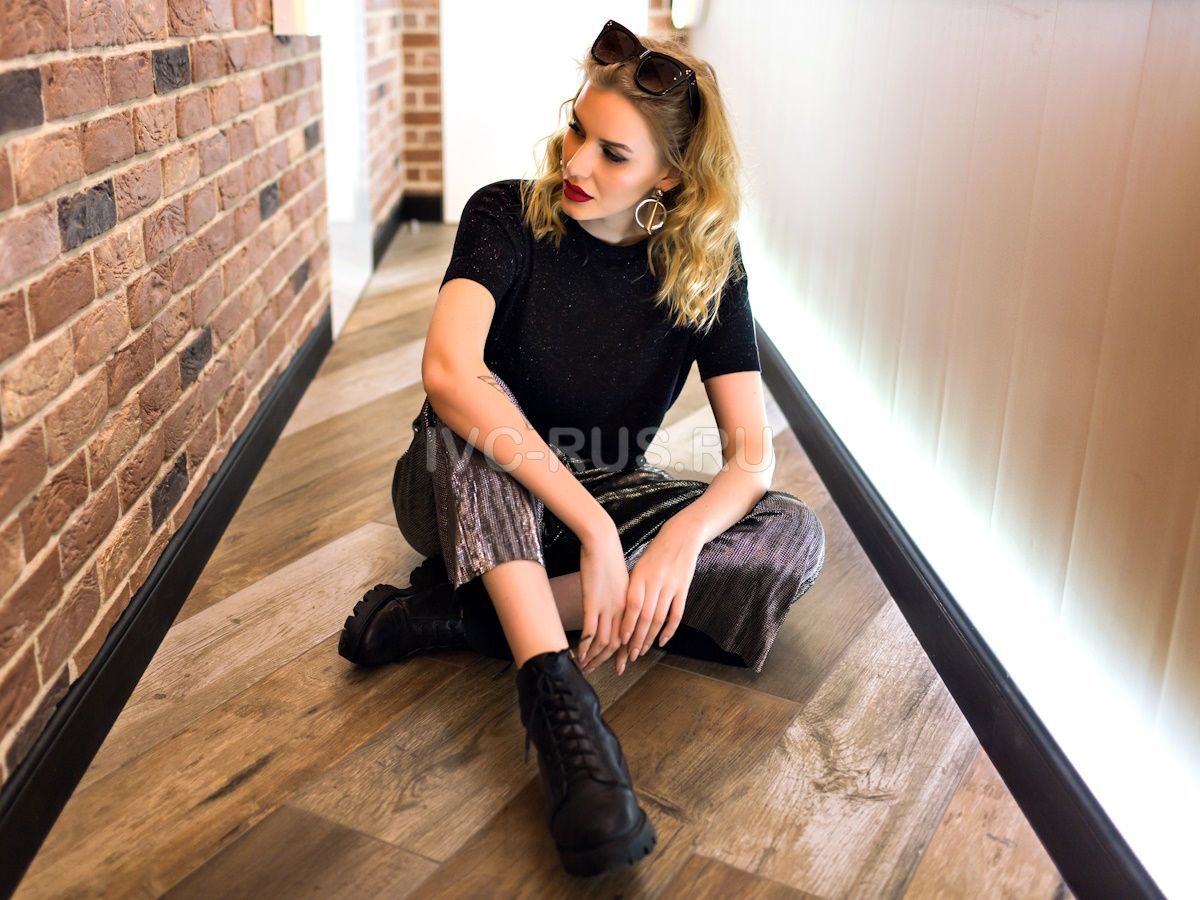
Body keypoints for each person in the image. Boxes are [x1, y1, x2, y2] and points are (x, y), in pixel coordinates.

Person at [337, 20, 826, 878]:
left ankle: (458, 617)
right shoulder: (504, 215)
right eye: (576, 130)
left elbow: (752, 458)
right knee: (480, 407)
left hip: (591, 493)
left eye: (612, 153)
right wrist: (598, 532)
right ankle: (566, 719)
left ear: (669, 175)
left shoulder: (708, 266)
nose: (576, 163)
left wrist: (678, 541)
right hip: (457, 482)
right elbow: (449, 373)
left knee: (791, 534)